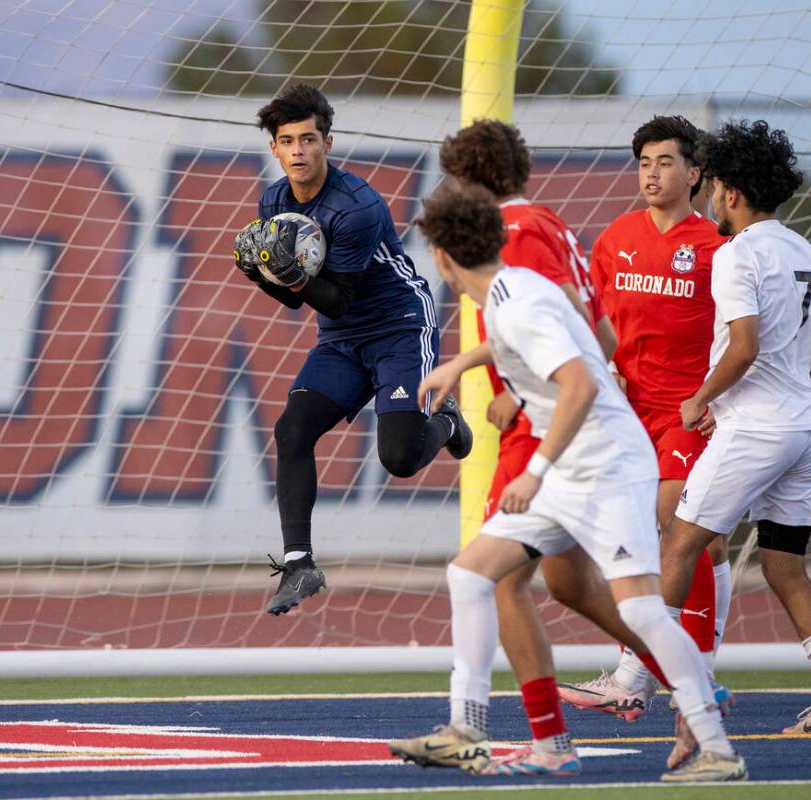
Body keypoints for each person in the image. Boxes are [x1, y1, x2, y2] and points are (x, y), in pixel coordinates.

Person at [388, 182, 746, 783]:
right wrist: (459, 363)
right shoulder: (513, 289)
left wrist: (533, 471)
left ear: (445, 259)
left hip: (606, 467)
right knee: (471, 573)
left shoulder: (515, 301)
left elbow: (580, 383)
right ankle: (469, 731)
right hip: (569, 470)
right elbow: (569, 337)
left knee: (643, 612)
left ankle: (716, 747)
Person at [437, 121, 665, 758]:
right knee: (567, 586)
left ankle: (499, 732)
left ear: (468, 180)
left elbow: (558, 315)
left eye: (455, 180)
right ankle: (685, 678)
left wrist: (517, 390)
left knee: (492, 579)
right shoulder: (548, 223)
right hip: (562, 423)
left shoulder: (520, 232)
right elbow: (595, 327)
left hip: (547, 431)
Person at [658, 119, 811, 735]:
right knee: (784, 566)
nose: (712, 197)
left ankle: (637, 675)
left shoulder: (735, 253)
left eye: (715, 184)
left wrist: (700, 398)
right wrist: (782, 363)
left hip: (756, 427)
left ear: (731, 191)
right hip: (806, 423)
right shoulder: (804, 247)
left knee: (679, 540)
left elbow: (744, 346)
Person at [233, 83, 472, 615]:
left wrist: (281, 272)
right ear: (274, 148)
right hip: (342, 339)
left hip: (398, 326)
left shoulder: (356, 205)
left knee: (399, 458)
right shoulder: (273, 198)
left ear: (328, 142)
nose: (298, 151)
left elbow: (337, 298)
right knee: (291, 430)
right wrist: (256, 272)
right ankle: (300, 565)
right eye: (287, 141)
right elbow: (298, 303)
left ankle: (448, 423)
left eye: (309, 139)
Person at [560, 116, 734, 725]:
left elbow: (744, 337)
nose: (652, 174)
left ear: (695, 173)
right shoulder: (614, 239)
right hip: (629, 412)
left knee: (678, 529)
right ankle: (682, 670)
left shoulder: (717, 248)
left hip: (690, 412)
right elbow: (593, 322)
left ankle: (660, 674)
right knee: (677, 542)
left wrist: (722, 401)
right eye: (643, 163)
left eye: (664, 162)